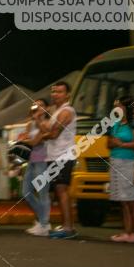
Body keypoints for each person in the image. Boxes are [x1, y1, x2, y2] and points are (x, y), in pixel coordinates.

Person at [42, 82, 77, 239]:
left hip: (63, 156)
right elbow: (48, 130)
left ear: (67, 95)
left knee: (62, 191)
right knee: (59, 191)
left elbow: (54, 133)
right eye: (53, 91)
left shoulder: (66, 111)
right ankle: (66, 225)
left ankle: (68, 227)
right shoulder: (55, 112)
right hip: (54, 155)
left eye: (59, 92)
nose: (55, 94)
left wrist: (43, 134)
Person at [108, 97, 134, 243]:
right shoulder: (116, 123)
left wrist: (121, 144)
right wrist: (114, 143)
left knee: (132, 199)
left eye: (120, 106)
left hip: (130, 163)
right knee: (123, 200)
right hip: (116, 162)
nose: (116, 109)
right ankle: (127, 231)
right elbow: (109, 142)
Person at [18, 99, 51, 236]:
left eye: (41, 105)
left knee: (43, 193)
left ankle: (44, 224)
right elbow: (24, 138)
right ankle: (43, 221)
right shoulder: (29, 124)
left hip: (43, 160)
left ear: (46, 108)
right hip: (31, 161)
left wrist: (22, 140)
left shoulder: (48, 123)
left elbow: (36, 141)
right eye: (35, 105)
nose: (38, 107)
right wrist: (23, 140)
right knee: (26, 192)